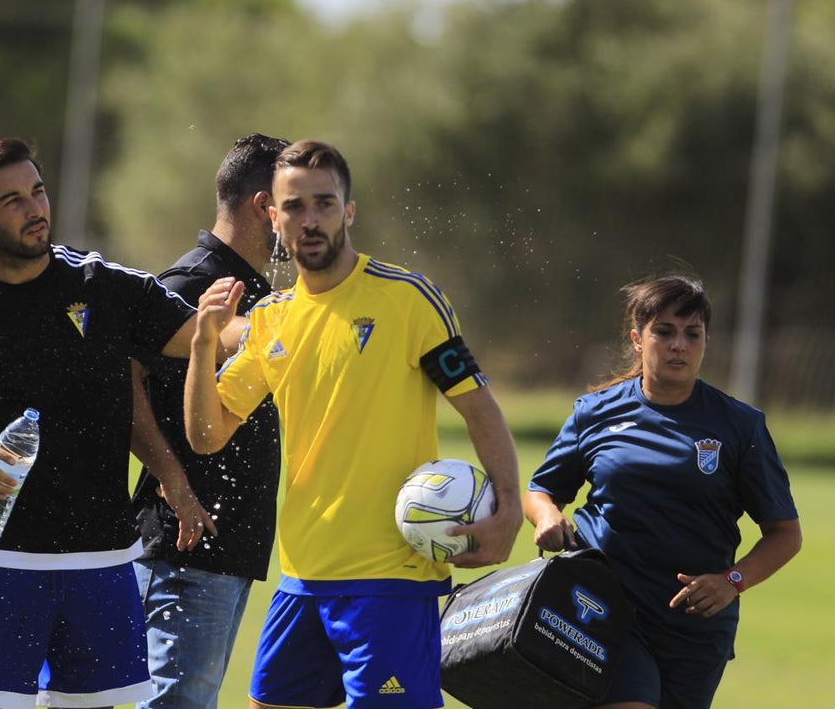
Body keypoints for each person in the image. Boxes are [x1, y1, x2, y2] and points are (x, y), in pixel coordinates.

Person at [0, 137, 239, 709]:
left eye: (38, 191)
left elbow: (209, 339)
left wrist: (280, 323)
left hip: (100, 562)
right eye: (13, 201)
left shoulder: (105, 287)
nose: (35, 210)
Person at [183, 139, 523, 709]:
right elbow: (206, 434)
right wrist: (201, 344)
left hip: (390, 578)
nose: (309, 220)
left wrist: (509, 506)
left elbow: (478, 406)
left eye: (324, 203)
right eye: (294, 207)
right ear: (272, 215)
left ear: (349, 210)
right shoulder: (270, 319)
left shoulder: (409, 300)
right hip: (302, 576)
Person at [523, 272, 802, 709]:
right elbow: (542, 489)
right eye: (665, 332)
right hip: (603, 607)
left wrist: (732, 580)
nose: (679, 346)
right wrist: (547, 516)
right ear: (638, 338)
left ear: (706, 342)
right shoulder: (595, 412)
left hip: (694, 627)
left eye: (693, 334)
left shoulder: (740, 426)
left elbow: (786, 533)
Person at [130, 133, 290, 709]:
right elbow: (123, 390)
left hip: (228, 548)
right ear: (262, 207)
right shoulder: (187, 284)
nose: (298, 221)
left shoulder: (260, 294)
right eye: (291, 203)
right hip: (186, 547)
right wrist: (175, 483)